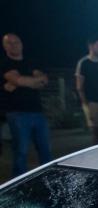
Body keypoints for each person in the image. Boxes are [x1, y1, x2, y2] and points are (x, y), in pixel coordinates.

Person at [1, 33, 51, 177]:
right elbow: (22, 81)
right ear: (5, 46)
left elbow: (44, 81)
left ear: (21, 44)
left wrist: (21, 81)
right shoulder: (5, 64)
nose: (14, 45)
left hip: (38, 112)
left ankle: (49, 179)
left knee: (45, 149)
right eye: (9, 43)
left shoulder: (31, 62)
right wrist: (32, 81)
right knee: (21, 152)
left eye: (16, 42)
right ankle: (18, 183)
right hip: (17, 114)